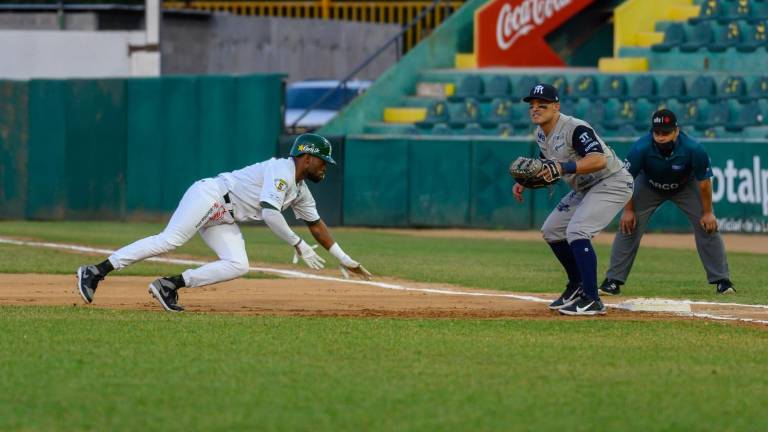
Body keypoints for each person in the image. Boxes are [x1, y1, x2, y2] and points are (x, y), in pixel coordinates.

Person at [76, 133, 372, 312]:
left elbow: (316, 225)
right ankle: (96, 271)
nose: (325, 167)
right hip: (211, 195)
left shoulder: (300, 190)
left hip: (224, 216)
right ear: (306, 158)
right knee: (171, 240)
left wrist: (344, 259)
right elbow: (270, 213)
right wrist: (296, 243)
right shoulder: (281, 170)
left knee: (238, 264)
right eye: (322, 161)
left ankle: (169, 285)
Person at [513, 83, 634, 316]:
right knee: (552, 231)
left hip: (612, 181)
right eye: (532, 105)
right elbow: (547, 165)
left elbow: (598, 160)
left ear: (556, 107)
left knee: (578, 231)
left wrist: (563, 167)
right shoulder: (541, 134)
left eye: (542, 104)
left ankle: (592, 299)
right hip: (585, 188)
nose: (535, 109)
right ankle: (577, 285)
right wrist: (526, 182)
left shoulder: (575, 128)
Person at [599, 109, 733, 296]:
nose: (661, 137)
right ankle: (612, 281)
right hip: (648, 185)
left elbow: (704, 184)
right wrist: (628, 210)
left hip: (685, 186)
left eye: (666, 132)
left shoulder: (693, 148)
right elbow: (626, 180)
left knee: (707, 226)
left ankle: (722, 281)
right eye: (657, 132)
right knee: (628, 226)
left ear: (676, 131)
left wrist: (708, 212)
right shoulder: (641, 148)